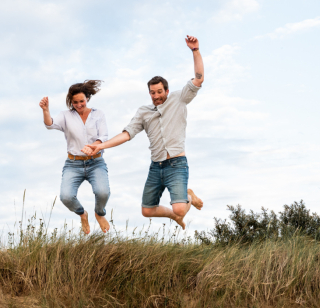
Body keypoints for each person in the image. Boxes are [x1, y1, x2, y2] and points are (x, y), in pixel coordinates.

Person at [83, 35, 204, 229]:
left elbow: (199, 79)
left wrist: (195, 50)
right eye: (152, 92)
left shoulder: (179, 99)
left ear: (166, 90)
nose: (156, 96)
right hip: (156, 166)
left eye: (159, 92)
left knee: (180, 208)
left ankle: (188, 197)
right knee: (147, 210)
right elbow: (127, 134)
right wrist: (101, 146)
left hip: (176, 164)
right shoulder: (144, 112)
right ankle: (174, 216)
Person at [40, 80, 111, 234]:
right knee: (66, 196)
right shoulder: (66, 116)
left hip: (96, 162)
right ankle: (82, 214)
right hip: (73, 164)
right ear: (71, 102)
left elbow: (103, 136)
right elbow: (49, 124)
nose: (79, 105)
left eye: (82, 101)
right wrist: (46, 110)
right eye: (75, 102)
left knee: (103, 192)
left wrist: (93, 146)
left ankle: (99, 213)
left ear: (87, 99)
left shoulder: (98, 114)